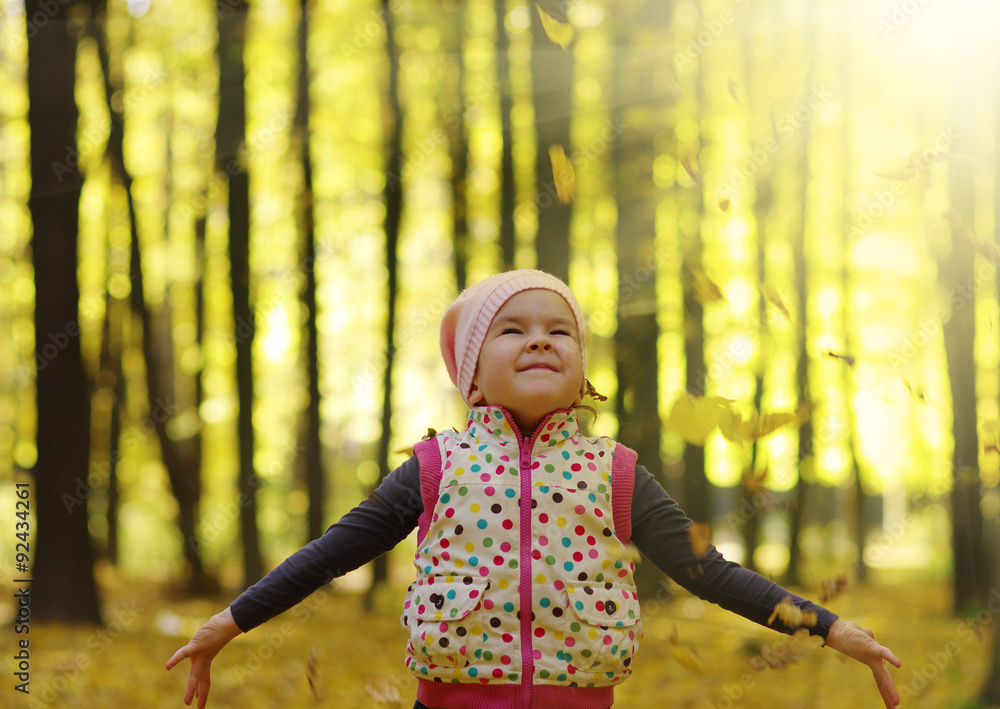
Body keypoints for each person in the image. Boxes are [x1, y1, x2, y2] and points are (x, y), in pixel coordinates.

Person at [167, 269, 901, 709]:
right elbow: (332, 552)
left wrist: (833, 627)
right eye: (512, 329)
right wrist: (227, 622)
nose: (541, 339)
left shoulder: (615, 471)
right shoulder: (435, 465)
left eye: (560, 331)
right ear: (473, 376)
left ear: (583, 373)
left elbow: (708, 573)